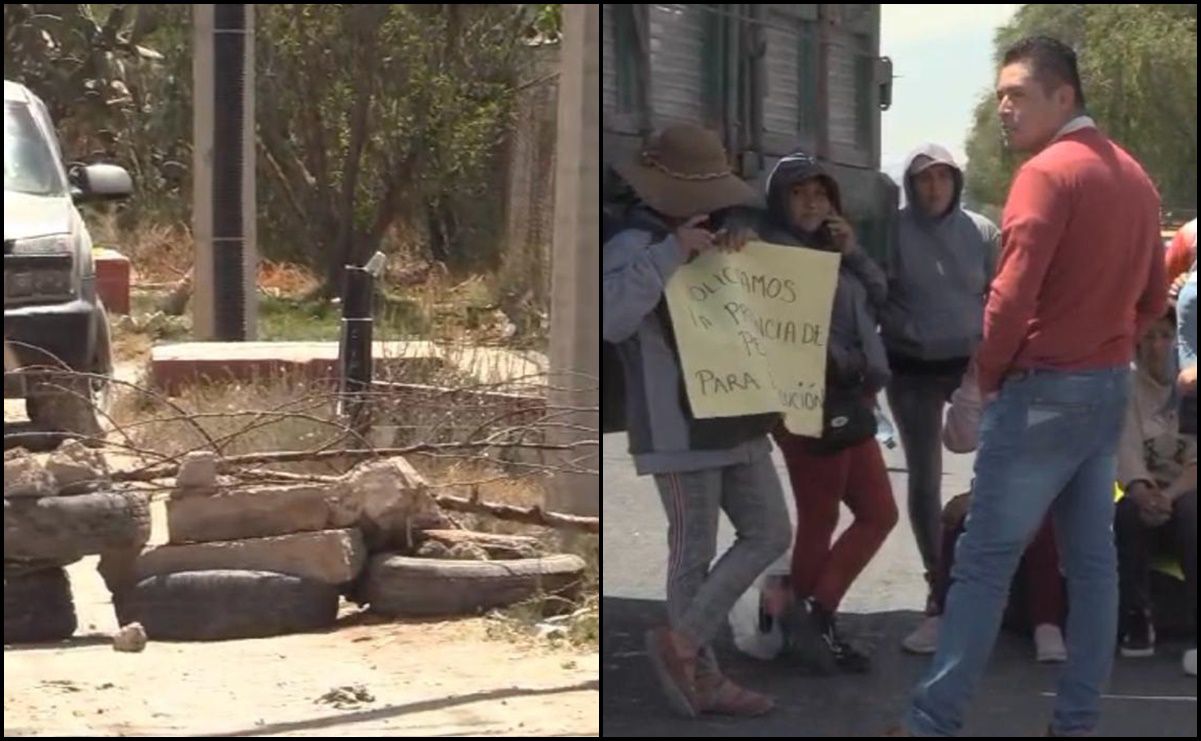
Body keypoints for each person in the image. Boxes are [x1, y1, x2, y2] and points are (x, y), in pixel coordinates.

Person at [890, 37, 1168, 737]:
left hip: (1042, 385)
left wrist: (977, 383)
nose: (1004, 108)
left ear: (1063, 96)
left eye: (1017, 94)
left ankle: (931, 723)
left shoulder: (1046, 174)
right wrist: (1111, 340)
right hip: (1103, 383)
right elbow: (1151, 293)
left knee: (983, 563)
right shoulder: (1134, 177)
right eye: (1000, 96)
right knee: (1092, 563)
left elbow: (1010, 296)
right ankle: (1074, 722)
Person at [603, 123, 792, 718]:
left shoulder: (718, 234)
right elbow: (611, 319)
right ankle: (702, 677)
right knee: (693, 553)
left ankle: (682, 643)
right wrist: (671, 253)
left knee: (771, 532)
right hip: (679, 430)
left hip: (738, 417)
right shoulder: (632, 243)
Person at [760, 152, 898, 674]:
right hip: (807, 402)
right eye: (799, 194)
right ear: (779, 201)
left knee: (879, 513)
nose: (812, 203)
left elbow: (880, 295)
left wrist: (852, 251)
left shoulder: (831, 248)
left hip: (851, 399)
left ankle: (812, 610)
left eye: (820, 194)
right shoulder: (772, 251)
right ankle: (811, 622)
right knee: (822, 515)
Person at [881, 143, 1001, 610]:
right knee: (925, 478)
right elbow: (872, 292)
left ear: (956, 183)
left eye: (943, 178)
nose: (935, 188)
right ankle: (939, 579)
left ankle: (986, 572)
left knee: (996, 469)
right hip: (910, 369)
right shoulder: (891, 232)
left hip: (969, 369)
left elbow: (1002, 297)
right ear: (912, 186)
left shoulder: (982, 232)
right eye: (925, 179)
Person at [902, 365, 1068, 664]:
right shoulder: (994, 369)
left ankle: (1048, 621)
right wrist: (976, 376)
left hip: (1057, 486)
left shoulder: (1057, 372)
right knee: (959, 519)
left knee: (1041, 522)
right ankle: (943, 612)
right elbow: (959, 439)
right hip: (997, 485)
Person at [1114, 310, 1197, 667]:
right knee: (1127, 515)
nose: (1157, 346)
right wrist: (1142, 490)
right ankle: (1137, 615)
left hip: (1185, 489)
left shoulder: (1190, 389)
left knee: (1193, 513)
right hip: (1144, 490)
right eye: (1148, 337)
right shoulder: (1126, 386)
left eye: (1165, 336)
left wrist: (1170, 495)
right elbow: (1125, 447)